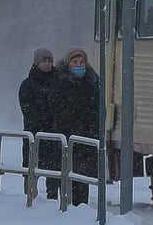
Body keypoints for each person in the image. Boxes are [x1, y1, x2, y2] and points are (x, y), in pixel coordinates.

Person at [53, 48, 102, 206]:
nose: (79, 65)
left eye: (82, 62)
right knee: (67, 172)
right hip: (67, 136)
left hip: (86, 137)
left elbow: (97, 109)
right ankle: (68, 204)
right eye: (75, 62)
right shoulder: (60, 81)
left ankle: (82, 205)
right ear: (68, 63)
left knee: (83, 176)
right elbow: (56, 108)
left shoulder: (92, 81)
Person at [19, 48, 64, 199]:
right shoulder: (27, 85)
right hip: (34, 135)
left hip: (54, 136)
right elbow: (27, 109)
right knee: (31, 169)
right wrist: (45, 119)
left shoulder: (59, 82)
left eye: (49, 60)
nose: (47, 63)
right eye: (43, 60)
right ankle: (30, 197)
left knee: (54, 172)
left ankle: (52, 197)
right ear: (36, 62)